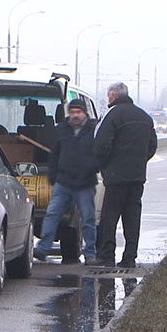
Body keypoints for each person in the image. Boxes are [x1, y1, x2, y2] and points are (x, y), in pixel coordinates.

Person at [92, 82, 157, 268]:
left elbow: (102, 145)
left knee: (109, 218)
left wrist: (103, 166)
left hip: (115, 177)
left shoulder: (113, 116)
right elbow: (152, 145)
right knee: (132, 217)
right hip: (137, 177)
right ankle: (129, 257)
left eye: (108, 94)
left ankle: (107, 256)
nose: (107, 97)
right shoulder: (144, 117)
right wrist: (139, 162)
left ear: (114, 95)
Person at [33, 99, 99, 264]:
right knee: (52, 214)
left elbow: (101, 152)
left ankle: (90, 253)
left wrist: (93, 168)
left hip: (85, 183)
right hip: (63, 182)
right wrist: (53, 177)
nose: (75, 115)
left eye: (79, 112)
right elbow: (54, 155)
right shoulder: (61, 130)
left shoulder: (94, 129)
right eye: (72, 112)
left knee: (88, 218)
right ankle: (42, 249)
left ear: (85, 113)